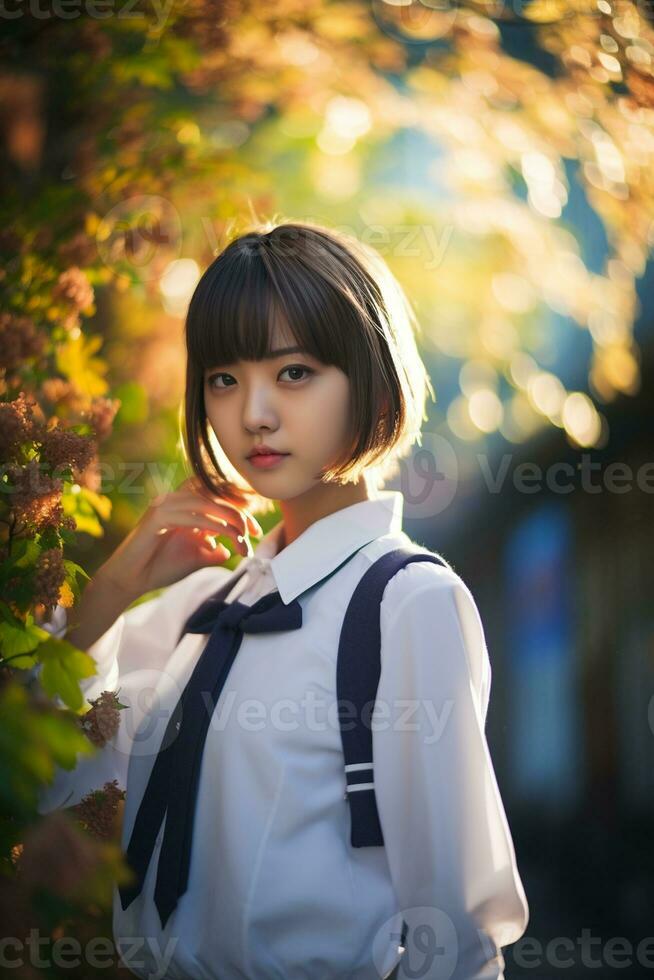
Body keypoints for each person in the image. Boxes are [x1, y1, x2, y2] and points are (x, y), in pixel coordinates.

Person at [38, 221, 529, 979]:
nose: (253, 414)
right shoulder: (199, 610)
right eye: (224, 379)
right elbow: (43, 776)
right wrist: (112, 589)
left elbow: (457, 936)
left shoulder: (407, 606)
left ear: (368, 374)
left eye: (293, 373)